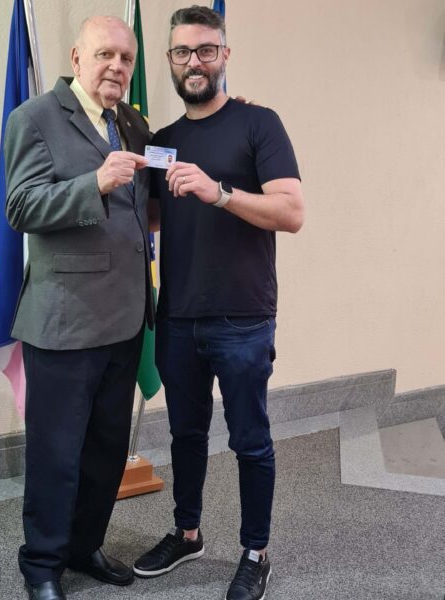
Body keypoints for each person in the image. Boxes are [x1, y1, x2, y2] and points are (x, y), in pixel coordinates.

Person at [133, 6, 304, 600]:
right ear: (170, 61)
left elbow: (291, 212)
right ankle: (187, 533)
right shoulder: (162, 142)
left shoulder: (259, 123)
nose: (194, 62)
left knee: (249, 440)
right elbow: (156, 218)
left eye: (206, 50)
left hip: (242, 317)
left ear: (224, 55)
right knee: (185, 435)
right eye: (183, 52)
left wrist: (220, 192)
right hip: (178, 317)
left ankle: (256, 553)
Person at [3, 15, 153, 600]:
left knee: (106, 451)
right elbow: (21, 206)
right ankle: (41, 564)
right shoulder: (34, 118)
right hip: (64, 321)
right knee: (56, 454)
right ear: (76, 57)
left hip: (125, 319)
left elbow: (147, 200)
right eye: (105, 54)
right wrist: (94, 183)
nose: (117, 66)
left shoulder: (132, 123)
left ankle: (85, 544)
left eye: (126, 58)